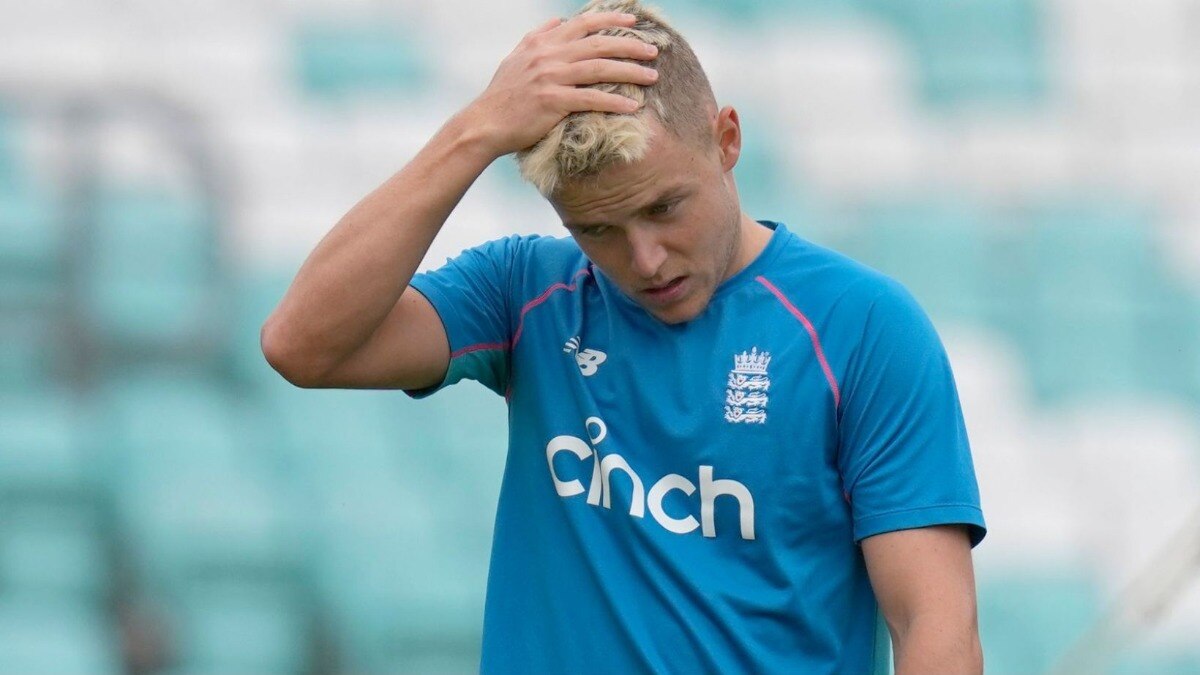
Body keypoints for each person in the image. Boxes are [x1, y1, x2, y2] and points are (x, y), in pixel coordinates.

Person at [261, 0, 987, 672]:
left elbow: (934, 624)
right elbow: (301, 344)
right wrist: (475, 131)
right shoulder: (525, 292)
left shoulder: (862, 326)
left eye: (665, 207)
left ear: (727, 140)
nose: (645, 260)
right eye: (597, 229)